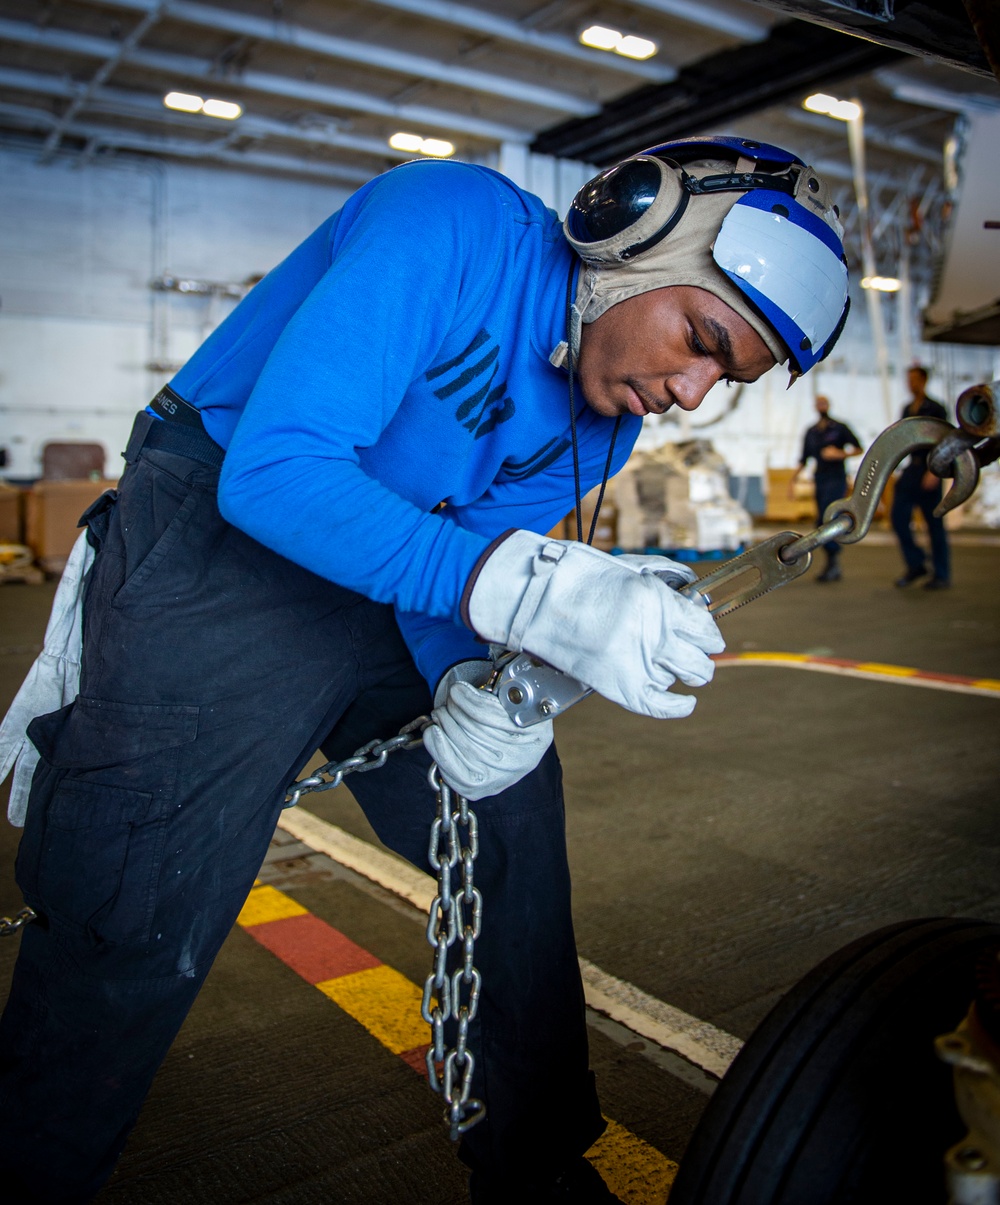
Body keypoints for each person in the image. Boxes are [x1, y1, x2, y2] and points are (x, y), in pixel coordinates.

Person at [0, 136, 849, 1204]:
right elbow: (276, 471)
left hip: (397, 573)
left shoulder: (603, 427)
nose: (686, 391)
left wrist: (476, 688)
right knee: (134, 903)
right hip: (227, 541)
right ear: (629, 231)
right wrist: (520, 589)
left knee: (510, 829)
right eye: (699, 338)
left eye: (723, 377)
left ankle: (533, 1159)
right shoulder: (448, 223)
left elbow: (464, 573)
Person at [789, 395, 862, 582]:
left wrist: (840, 454)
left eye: (824, 402)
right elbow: (804, 459)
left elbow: (858, 448)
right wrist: (792, 481)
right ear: (815, 407)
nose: (821, 406)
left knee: (828, 518)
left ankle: (833, 560)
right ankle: (832, 561)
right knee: (820, 522)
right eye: (818, 403)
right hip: (820, 478)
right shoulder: (811, 431)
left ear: (829, 405)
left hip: (836, 478)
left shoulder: (839, 428)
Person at [891, 365, 950, 589]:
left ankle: (942, 574)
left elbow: (946, 442)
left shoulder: (936, 409)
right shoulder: (907, 409)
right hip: (911, 471)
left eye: (914, 379)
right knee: (898, 519)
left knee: (934, 525)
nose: (910, 384)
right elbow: (900, 439)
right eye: (908, 379)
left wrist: (935, 471)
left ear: (924, 381)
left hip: (931, 470)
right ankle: (916, 564)